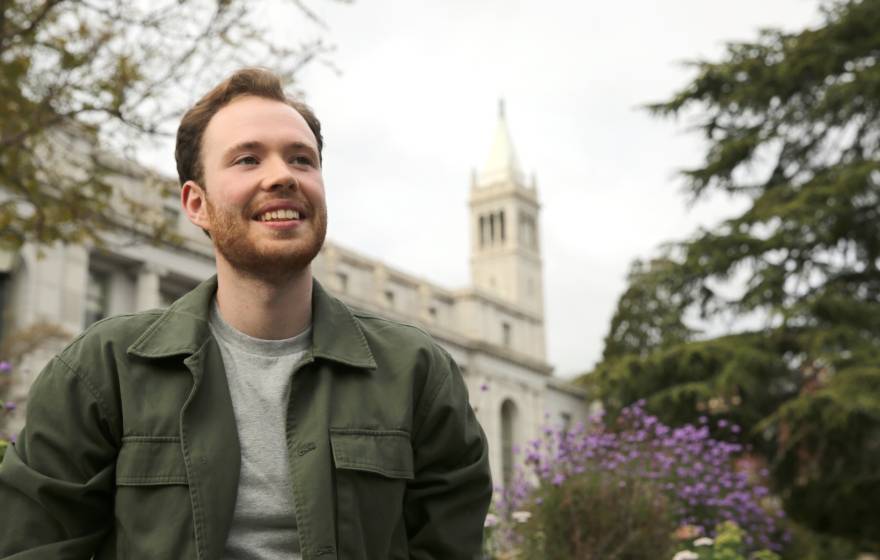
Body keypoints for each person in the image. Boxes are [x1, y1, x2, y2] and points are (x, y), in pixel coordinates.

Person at [0, 67, 492, 559]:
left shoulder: (416, 372)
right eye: (247, 159)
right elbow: (35, 544)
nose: (281, 175)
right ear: (197, 204)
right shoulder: (100, 370)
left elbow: (450, 544)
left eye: (302, 160)